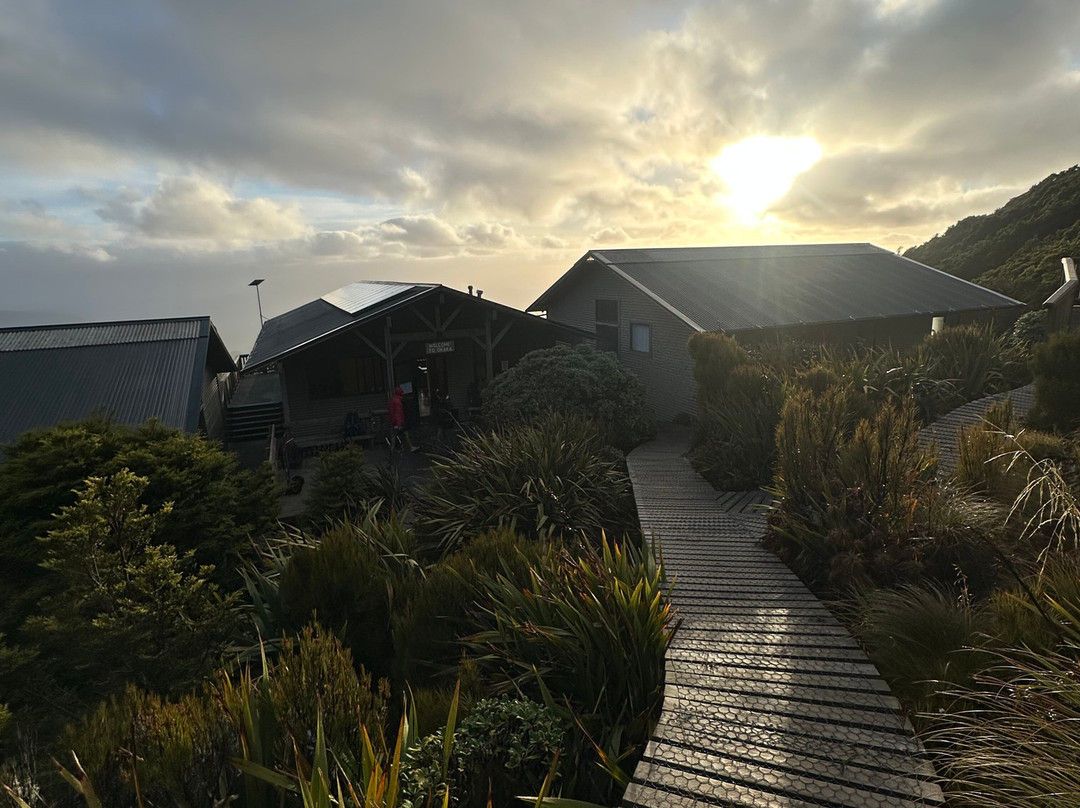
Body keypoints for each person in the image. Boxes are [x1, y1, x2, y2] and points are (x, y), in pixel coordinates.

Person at [388, 386, 417, 452]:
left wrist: (393, 422)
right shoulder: (398, 402)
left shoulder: (392, 400)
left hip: (393, 422)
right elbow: (398, 414)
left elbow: (390, 411)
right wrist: (399, 424)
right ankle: (411, 447)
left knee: (393, 437)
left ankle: (391, 450)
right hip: (398, 423)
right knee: (406, 434)